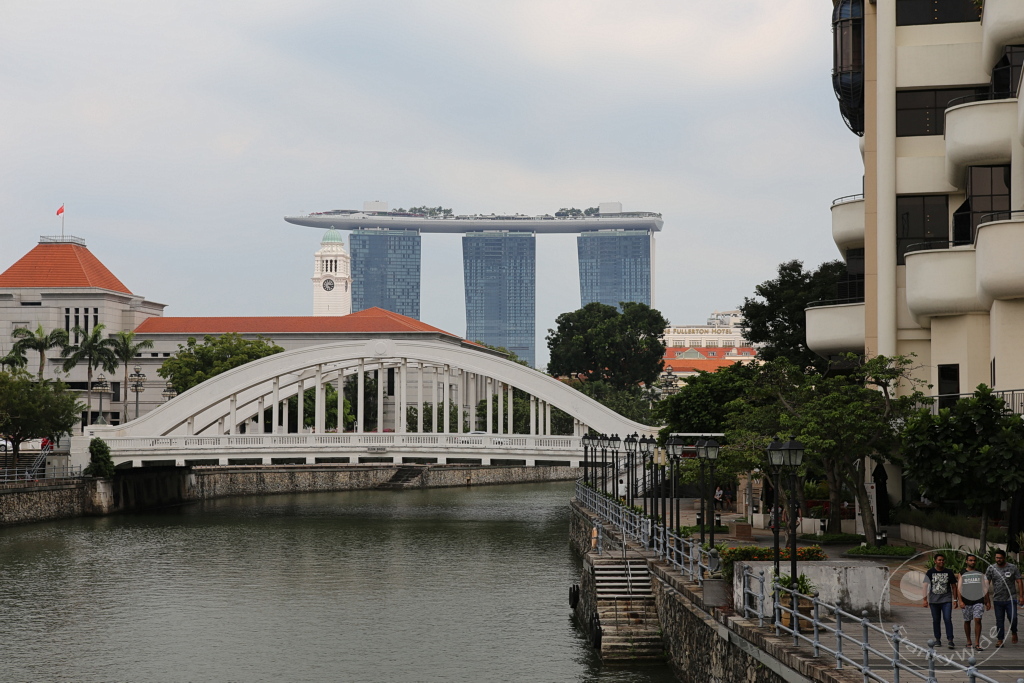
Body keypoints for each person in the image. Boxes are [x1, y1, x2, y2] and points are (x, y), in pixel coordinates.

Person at [985, 549, 1024, 647]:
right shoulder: (991, 568)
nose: (999, 559)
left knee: (1013, 617)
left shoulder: (1012, 567)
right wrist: (987, 600)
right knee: (999, 620)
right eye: (997, 558)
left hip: (1011, 598)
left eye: (1000, 558)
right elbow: (986, 584)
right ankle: (1000, 639)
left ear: (1004, 558)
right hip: (998, 599)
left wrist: (1021, 596)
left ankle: (1014, 631)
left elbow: (1019, 581)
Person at [923, 553, 959, 650]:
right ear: (935, 561)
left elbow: (954, 586)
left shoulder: (949, 572)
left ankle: (950, 640)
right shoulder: (930, 572)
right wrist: (925, 599)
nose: (941, 562)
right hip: (934, 601)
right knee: (936, 620)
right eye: (939, 560)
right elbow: (925, 586)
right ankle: (937, 639)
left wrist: (955, 599)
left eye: (943, 560)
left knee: (947, 619)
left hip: (946, 600)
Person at [958, 554, 991, 651]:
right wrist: (960, 601)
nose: (973, 562)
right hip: (966, 601)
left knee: (978, 620)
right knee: (967, 620)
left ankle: (977, 642)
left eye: (974, 560)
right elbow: (959, 588)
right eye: (970, 560)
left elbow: (985, 587)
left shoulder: (980, 573)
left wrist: (987, 601)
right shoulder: (962, 573)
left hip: (978, 600)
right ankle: (969, 640)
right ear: (966, 561)